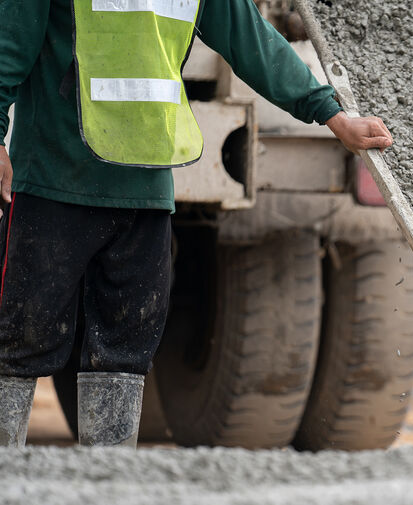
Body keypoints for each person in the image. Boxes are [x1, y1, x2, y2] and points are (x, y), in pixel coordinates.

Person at [0, 0, 393, 448]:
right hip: (52, 186)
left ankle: (106, 485)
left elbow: (252, 43)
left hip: (146, 194)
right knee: (16, 344)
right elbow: (8, 42)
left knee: (123, 358)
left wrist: (333, 116)